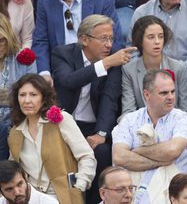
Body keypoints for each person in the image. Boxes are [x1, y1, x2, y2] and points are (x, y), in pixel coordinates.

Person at [51, 14, 136, 203]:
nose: (109, 44)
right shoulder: (63, 53)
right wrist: (105, 64)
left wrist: (101, 133)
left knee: (103, 152)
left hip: (93, 125)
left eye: (111, 39)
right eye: (103, 39)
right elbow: (68, 81)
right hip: (64, 124)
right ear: (84, 40)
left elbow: (110, 99)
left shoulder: (112, 59)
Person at [32, 0, 123, 85]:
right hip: (60, 71)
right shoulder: (45, 2)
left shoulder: (103, 0)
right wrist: (44, 73)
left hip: (95, 70)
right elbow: (41, 41)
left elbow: (116, 42)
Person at [8, 73, 96, 204]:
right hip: (31, 198)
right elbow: (13, 170)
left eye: (33, 95)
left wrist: (79, 186)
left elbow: (86, 156)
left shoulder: (61, 119)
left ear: (43, 98)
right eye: (22, 95)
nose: (26, 100)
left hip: (62, 197)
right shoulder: (15, 132)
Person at [112, 69, 187, 203]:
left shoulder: (183, 119)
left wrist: (135, 151)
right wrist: (160, 162)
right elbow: (119, 157)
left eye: (173, 91)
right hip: (134, 186)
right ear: (147, 94)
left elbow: (172, 151)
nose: (171, 97)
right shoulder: (130, 120)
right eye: (164, 93)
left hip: (172, 189)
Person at [122, 15, 187, 116]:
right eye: (151, 37)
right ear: (139, 40)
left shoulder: (178, 68)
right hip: (141, 126)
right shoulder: (129, 70)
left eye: (161, 36)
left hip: (174, 125)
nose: (157, 42)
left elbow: (185, 109)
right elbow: (128, 110)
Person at [0, 13, 36, 160]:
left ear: (8, 38)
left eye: (1, 41)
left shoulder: (23, 58)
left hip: (19, 121)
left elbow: (34, 94)